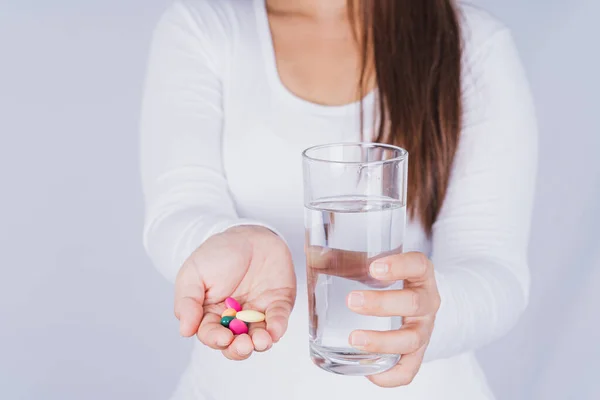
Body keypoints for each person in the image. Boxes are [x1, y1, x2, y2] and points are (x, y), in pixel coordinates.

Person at [139, 0, 537, 398]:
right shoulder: (205, 28)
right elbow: (177, 208)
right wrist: (230, 237)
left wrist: (431, 311)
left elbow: (496, 269)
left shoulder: (472, 42)